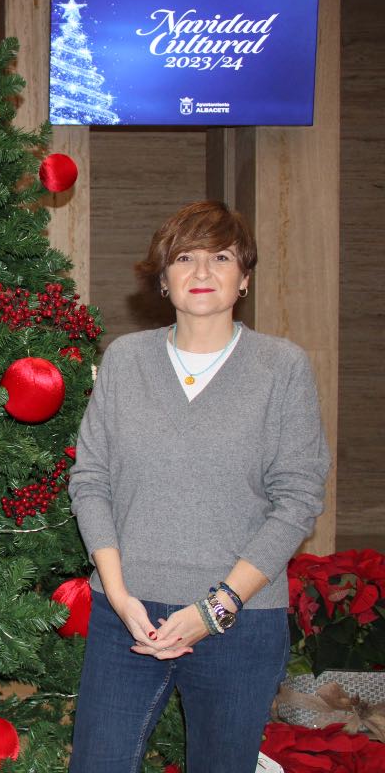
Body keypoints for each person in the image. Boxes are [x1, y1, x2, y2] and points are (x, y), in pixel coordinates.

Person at [67, 201, 330, 771]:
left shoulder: (281, 368)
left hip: (240, 619)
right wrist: (117, 594)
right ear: (163, 278)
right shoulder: (125, 360)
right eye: (185, 257)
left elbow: (298, 499)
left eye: (222, 258)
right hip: (126, 616)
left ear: (245, 277)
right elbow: (91, 479)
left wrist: (216, 608)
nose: (203, 272)